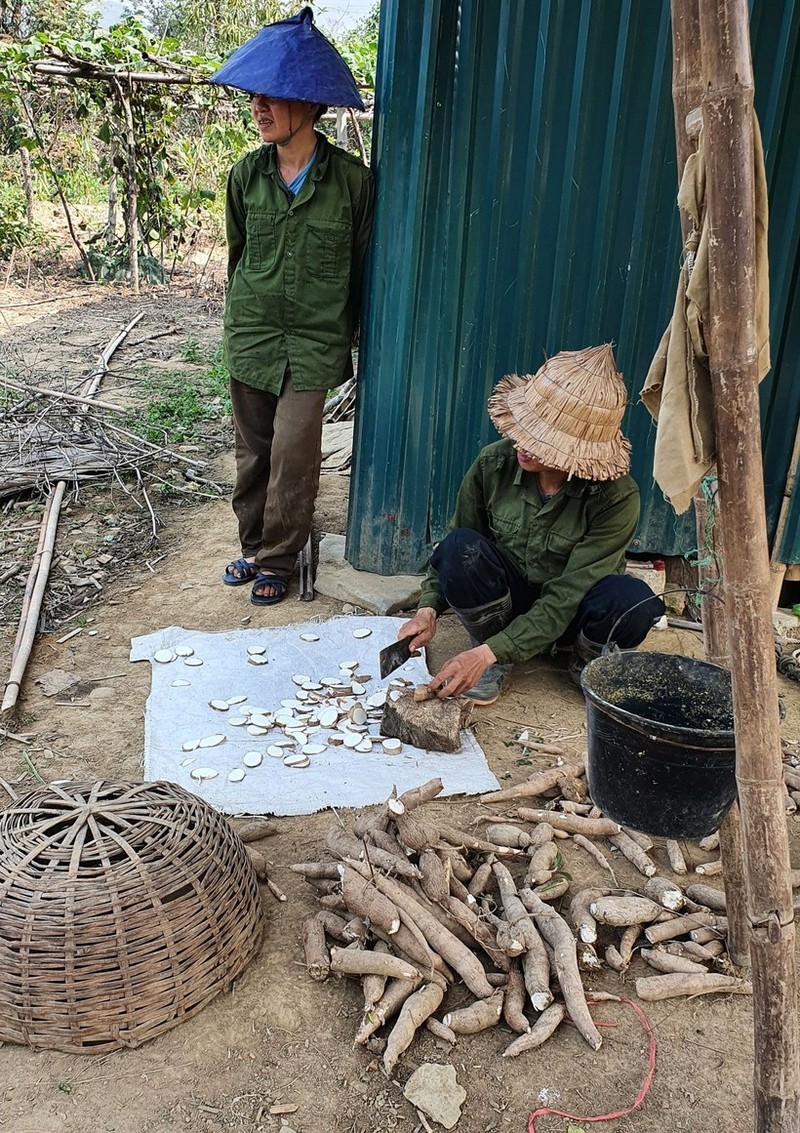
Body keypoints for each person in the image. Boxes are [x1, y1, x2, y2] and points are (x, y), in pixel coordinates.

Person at [210, 7, 375, 605]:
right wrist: (240, 320)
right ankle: (253, 547)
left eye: (273, 97)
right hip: (252, 335)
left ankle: (280, 558)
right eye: (255, 97)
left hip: (314, 341)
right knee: (251, 451)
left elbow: (360, 268)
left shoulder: (352, 183)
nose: (259, 108)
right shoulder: (246, 176)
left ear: (308, 105)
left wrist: (347, 337)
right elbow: (238, 257)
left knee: (293, 450)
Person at [398, 345, 665, 705]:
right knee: (459, 548)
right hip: (506, 604)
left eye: (539, 440)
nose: (522, 443)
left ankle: (586, 664)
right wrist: (428, 610)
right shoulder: (493, 463)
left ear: (574, 451)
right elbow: (453, 546)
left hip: (571, 612)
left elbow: (565, 597)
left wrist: (485, 654)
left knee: (634, 602)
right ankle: (492, 648)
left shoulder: (616, 499)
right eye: (523, 428)